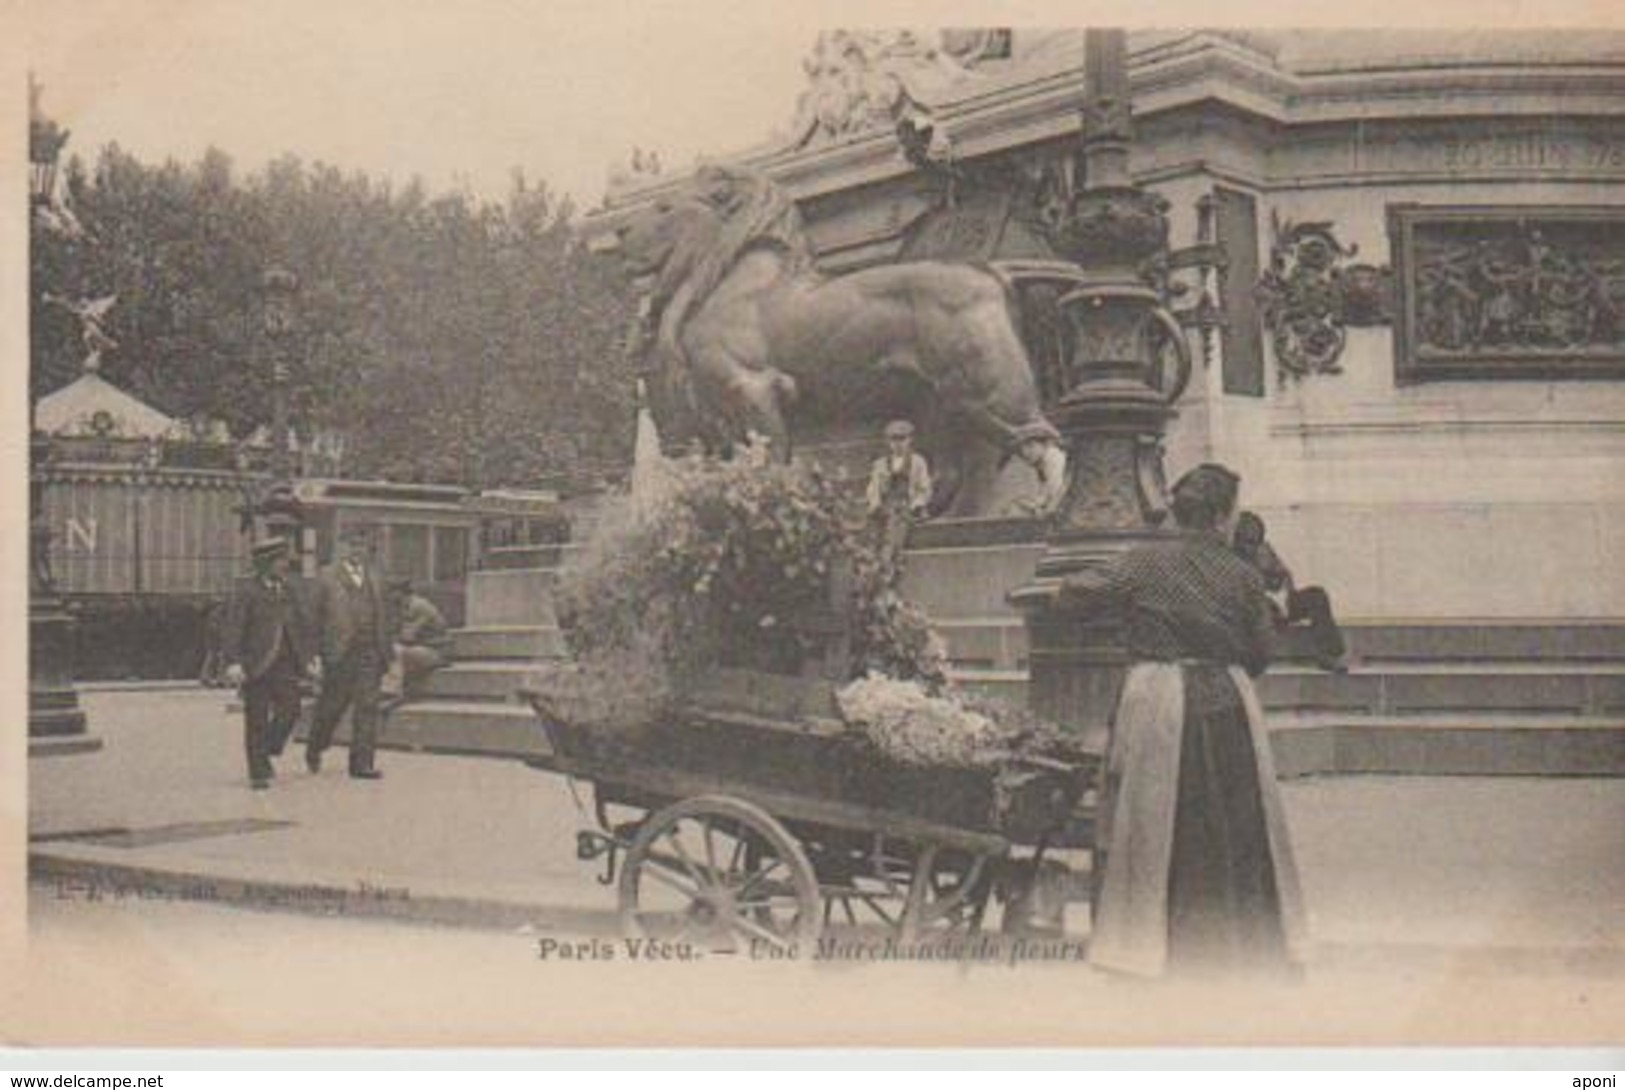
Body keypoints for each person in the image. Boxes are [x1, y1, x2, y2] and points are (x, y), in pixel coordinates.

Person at [1060, 463, 1307, 979]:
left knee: (1152, 818)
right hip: (1226, 697)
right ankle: (1233, 943)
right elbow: (1262, 651)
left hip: (1156, 695)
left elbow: (1074, 593)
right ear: (1220, 515)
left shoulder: (1142, 561)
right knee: (1235, 817)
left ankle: (1146, 944)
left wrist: (1129, 621)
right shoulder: (1241, 573)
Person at [222, 537, 316, 790]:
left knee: (291, 709)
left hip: (286, 663)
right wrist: (233, 662)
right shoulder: (246, 591)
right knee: (256, 718)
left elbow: (302, 626)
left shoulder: (289, 590)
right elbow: (233, 628)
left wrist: (309, 659)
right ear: (265, 563)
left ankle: (270, 746)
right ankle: (258, 771)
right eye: (280, 560)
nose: (285, 565)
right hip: (257, 664)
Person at [306, 525, 391, 780]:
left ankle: (362, 764)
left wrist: (386, 645)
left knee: (367, 707)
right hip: (339, 652)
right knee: (332, 707)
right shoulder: (326, 576)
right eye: (352, 545)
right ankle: (316, 745)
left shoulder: (377, 577)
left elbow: (386, 614)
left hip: (369, 651)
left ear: (368, 549)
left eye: (361, 546)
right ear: (342, 548)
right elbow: (313, 617)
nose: (357, 551)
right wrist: (315, 654)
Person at [1232, 511, 1349, 673]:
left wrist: (1283, 595)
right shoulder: (1228, 557)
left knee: (1316, 595)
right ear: (1236, 538)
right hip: (1257, 610)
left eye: (1256, 541)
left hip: (1280, 603)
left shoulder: (1264, 549)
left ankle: (1331, 654)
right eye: (1247, 542)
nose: (1252, 547)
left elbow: (1284, 574)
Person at [865, 419, 932, 582]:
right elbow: (873, 487)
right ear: (888, 442)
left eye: (902, 439)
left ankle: (888, 567)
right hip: (885, 505)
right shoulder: (880, 464)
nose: (898, 444)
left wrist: (917, 503)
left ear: (910, 440)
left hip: (906, 505)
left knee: (895, 529)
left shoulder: (918, 462)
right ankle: (872, 566)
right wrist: (875, 502)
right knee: (874, 529)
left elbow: (925, 488)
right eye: (894, 439)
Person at [388, 578, 451, 699]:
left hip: (436, 652)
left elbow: (407, 637)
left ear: (400, 592)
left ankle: (392, 692)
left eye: (392, 592)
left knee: (395, 651)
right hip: (423, 648)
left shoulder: (418, 606)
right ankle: (394, 690)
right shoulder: (404, 606)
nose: (389, 596)